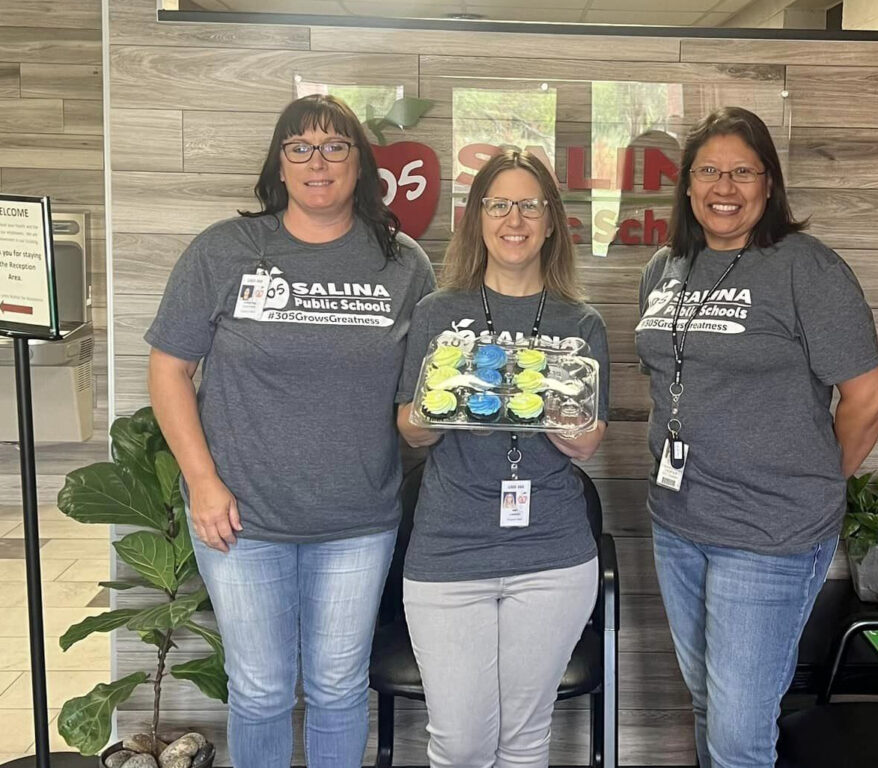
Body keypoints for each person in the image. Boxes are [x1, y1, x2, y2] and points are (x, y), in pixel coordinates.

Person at [145, 94, 435, 768]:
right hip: (240, 519)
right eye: (299, 147)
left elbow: (419, 392)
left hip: (358, 520)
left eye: (336, 147)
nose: (318, 161)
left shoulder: (403, 263)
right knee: (260, 689)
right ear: (280, 164)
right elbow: (168, 371)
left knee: (337, 688)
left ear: (361, 165)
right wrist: (203, 483)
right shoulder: (226, 250)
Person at [635, 106, 878, 768]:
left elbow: (869, 394)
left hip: (769, 536)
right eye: (710, 170)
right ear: (687, 185)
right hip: (678, 521)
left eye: (743, 171)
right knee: (707, 704)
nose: (726, 187)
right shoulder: (665, 267)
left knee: (739, 736)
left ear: (769, 185)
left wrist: (814, 480)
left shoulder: (804, 267)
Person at [396, 149, 610, 768]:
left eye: (529, 205)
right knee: (459, 743)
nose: (513, 219)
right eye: (498, 204)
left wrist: (557, 415)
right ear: (477, 218)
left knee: (523, 741)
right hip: (448, 548)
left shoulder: (581, 322)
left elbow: (590, 441)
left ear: (550, 222)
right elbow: (408, 430)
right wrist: (441, 407)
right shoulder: (437, 314)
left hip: (552, 552)